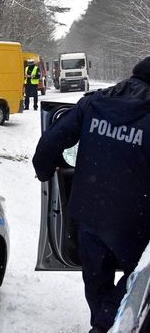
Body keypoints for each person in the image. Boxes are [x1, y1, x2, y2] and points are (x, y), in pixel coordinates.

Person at [32, 57, 150, 333]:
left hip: (89, 216)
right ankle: (108, 323)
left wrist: (45, 171)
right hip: (137, 223)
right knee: (136, 284)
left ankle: (102, 322)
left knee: (97, 283)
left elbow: (49, 143)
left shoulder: (95, 102)